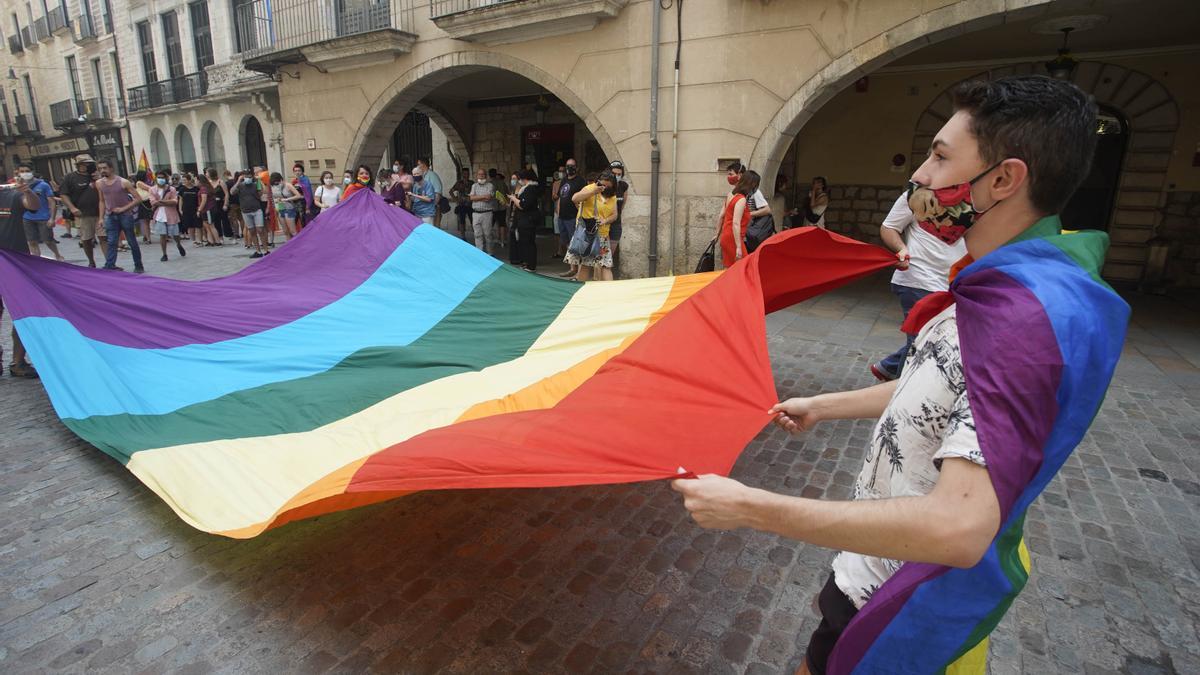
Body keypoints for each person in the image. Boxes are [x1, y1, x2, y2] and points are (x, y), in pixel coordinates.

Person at [673, 75, 1122, 675]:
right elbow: (943, 386)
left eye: (939, 157)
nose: (921, 177)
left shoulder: (1028, 319)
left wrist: (751, 506)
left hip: (908, 596)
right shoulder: (1006, 287)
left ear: (1004, 179)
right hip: (877, 570)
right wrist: (824, 404)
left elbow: (958, 527)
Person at [871, 188, 968, 382]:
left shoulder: (975, 197)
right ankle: (903, 396)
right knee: (922, 344)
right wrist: (901, 249)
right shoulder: (915, 194)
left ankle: (890, 367)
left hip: (954, 283)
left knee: (934, 338)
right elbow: (889, 227)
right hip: (919, 278)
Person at [0, 182, 41, 377]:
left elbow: (32, 205)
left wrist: (28, 191)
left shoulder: (11, 195)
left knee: (23, 313)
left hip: (15, 264)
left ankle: (18, 362)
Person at [564, 170, 619, 282]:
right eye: (602, 184)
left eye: (608, 186)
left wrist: (605, 220)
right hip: (587, 235)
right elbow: (575, 198)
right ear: (598, 181)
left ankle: (611, 294)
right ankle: (581, 293)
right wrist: (594, 191)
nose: (604, 188)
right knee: (586, 265)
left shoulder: (612, 196)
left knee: (606, 265)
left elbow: (615, 215)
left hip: (602, 236)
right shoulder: (590, 188)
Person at [94, 160, 145, 273]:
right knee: (111, 241)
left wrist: (123, 208)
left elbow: (138, 199)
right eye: (100, 168)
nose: (102, 170)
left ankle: (138, 265)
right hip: (110, 216)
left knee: (132, 241)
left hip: (125, 215)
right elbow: (101, 201)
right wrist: (101, 218)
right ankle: (110, 265)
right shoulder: (99, 183)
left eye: (105, 168)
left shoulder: (123, 182)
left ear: (111, 168)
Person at [58, 154, 107, 267]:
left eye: (90, 164)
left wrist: (99, 178)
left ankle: (109, 262)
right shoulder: (70, 178)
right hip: (83, 213)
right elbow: (63, 194)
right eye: (86, 164)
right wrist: (72, 208)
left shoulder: (98, 176)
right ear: (79, 165)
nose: (88, 166)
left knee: (103, 237)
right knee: (86, 239)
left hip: (100, 213)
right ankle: (91, 261)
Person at [14, 164, 63, 262]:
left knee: (48, 240)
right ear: (18, 173)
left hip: (43, 217)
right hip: (27, 218)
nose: (25, 173)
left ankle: (57, 254)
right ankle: (38, 261)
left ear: (32, 172)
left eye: (27, 171)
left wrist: (52, 218)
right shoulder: (16, 187)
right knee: (31, 242)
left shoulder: (43, 185)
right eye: (22, 171)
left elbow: (52, 201)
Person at [717, 169, 756, 268]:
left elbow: (721, 215)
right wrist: (738, 246)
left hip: (726, 236)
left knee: (731, 270)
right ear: (750, 184)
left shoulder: (731, 195)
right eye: (755, 185)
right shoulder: (741, 199)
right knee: (745, 268)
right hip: (733, 239)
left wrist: (717, 234)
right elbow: (735, 223)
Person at [553, 159, 586, 278]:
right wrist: (558, 212)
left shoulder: (581, 181)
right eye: (568, 166)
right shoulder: (564, 180)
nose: (569, 168)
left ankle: (580, 272)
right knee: (567, 242)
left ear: (576, 168)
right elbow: (561, 197)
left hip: (573, 217)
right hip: (562, 217)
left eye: (572, 166)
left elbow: (584, 198)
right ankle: (572, 268)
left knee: (576, 243)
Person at [149, 174, 187, 262]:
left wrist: (161, 201)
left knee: (175, 234)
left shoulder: (171, 189)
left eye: (162, 177)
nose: (161, 179)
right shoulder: (152, 189)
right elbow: (153, 202)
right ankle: (164, 254)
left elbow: (174, 201)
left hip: (171, 214)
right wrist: (165, 202)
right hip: (159, 215)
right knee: (162, 235)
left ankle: (178, 244)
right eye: (159, 177)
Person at [232, 171, 269, 258]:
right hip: (245, 211)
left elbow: (262, 193)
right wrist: (238, 181)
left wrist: (259, 182)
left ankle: (266, 250)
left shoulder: (255, 184)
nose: (247, 178)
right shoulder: (240, 185)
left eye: (249, 176)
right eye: (246, 176)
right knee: (252, 231)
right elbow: (232, 192)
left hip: (256, 210)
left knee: (260, 229)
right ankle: (258, 251)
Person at [512, 169, 543, 271]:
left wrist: (514, 199)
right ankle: (526, 262)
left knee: (529, 243)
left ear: (525, 179)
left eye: (520, 179)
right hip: (524, 220)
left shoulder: (530, 189)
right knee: (525, 242)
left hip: (528, 220)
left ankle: (531, 265)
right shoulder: (526, 188)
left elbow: (523, 205)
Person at [608, 160, 629, 277]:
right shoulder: (605, 185)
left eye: (619, 174)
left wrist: (617, 215)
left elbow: (623, 203)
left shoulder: (624, 186)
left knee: (610, 254)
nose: (616, 176)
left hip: (616, 223)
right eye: (614, 174)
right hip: (605, 223)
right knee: (601, 255)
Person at [468, 168, 496, 252]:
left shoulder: (490, 185)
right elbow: (471, 198)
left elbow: (488, 197)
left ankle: (490, 253)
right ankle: (479, 253)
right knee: (477, 234)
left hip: (486, 213)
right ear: (477, 176)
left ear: (486, 176)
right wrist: (483, 196)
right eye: (479, 174)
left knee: (488, 234)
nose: (481, 176)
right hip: (476, 213)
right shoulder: (474, 186)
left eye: (483, 174)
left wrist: (477, 197)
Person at [270, 172, 303, 240]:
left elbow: (298, 195)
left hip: (289, 208)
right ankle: (289, 245)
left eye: (277, 182)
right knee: (285, 231)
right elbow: (273, 196)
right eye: (275, 183)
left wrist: (286, 199)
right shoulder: (273, 186)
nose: (276, 184)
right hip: (280, 208)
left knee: (292, 231)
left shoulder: (288, 185)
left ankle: (298, 245)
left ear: (281, 179)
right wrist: (276, 200)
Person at [416, 157, 444, 231]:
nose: (417, 167)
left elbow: (438, 193)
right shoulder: (422, 176)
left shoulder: (432, 175)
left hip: (429, 209)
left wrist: (432, 206)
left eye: (419, 164)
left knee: (430, 229)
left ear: (424, 165)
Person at [203, 168, 228, 246]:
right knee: (216, 221)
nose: (206, 174)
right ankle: (220, 237)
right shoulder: (208, 183)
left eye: (207, 173)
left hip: (221, 203)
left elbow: (226, 193)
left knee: (224, 220)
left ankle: (229, 234)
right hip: (213, 204)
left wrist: (225, 204)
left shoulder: (220, 182)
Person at [450, 167, 472, 241]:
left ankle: (476, 236)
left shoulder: (472, 183)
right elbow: (451, 191)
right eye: (465, 173)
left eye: (468, 173)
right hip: (461, 205)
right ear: (462, 174)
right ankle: (463, 237)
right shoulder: (459, 183)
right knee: (462, 221)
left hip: (470, 205)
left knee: (473, 221)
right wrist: (455, 199)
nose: (466, 175)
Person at [134, 170, 155, 244]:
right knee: (146, 221)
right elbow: (149, 188)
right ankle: (148, 238)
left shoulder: (146, 182)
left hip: (148, 202)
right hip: (144, 203)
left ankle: (146, 236)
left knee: (149, 220)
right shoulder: (139, 183)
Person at [291, 164, 315, 228]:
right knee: (294, 222)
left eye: (299, 170)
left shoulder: (305, 180)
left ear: (302, 171)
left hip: (303, 204)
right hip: (295, 204)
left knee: (303, 222)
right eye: (295, 171)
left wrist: (307, 206)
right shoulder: (294, 181)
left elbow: (308, 194)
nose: (297, 172)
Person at [489, 169, 509, 247]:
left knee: (490, 224)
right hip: (502, 206)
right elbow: (507, 192)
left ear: (489, 175)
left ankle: (490, 240)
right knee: (502, 224)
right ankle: (502, 241)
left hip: (492, 207)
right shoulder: (502, 182)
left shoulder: (489, 184)